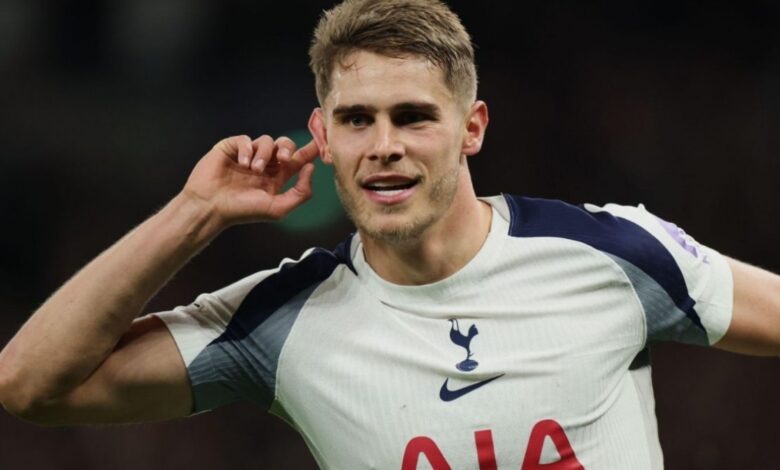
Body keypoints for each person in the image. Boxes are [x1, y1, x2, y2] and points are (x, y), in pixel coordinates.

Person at [0, 0, 778, 468]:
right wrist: (194, 212)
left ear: (472, 128)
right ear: (322, 136)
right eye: (356, 120)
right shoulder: (281, 323)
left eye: (413, 117)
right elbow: (30, 385)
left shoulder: (613, 253)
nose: (384, 146)